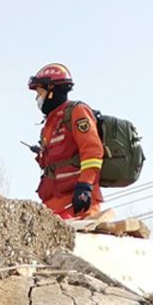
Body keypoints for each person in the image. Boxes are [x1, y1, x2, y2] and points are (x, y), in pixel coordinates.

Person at [27, 63, 104, 219]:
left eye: (40, 92)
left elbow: (93, 151)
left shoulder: (76, 112)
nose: (37, 98)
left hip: (78, 202)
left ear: (51, 91)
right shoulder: (49, 123)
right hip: (53, 205)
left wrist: (85, 186)